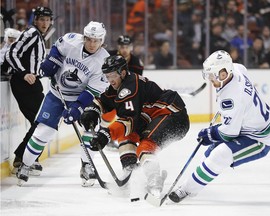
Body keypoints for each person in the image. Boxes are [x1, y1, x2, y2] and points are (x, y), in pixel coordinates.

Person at [169, 50, 270, 203]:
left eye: (213, 75)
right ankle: (200, 178)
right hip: (250, 124)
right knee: (211, 154)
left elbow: (228, 133)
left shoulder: (231, 97)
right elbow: (241, 73)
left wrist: (210, 133)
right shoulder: (237, 69)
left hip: (260, 137)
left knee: (220, 155)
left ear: (224, 73)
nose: (210, 79)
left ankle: (186, 189)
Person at [79, 55, 190, 197]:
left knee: (145, 145)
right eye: (107, 76)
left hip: (173, 115)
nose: (110, 79)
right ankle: (130, 170)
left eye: (113, 75)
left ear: (123, 72)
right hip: (153, 116)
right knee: (126, 135)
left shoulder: (130, 87)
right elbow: (103, 101)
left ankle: (154, 179)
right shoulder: (119, 86)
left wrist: (105, 135)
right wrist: (92, 111)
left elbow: (128, 121)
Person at [15, 21, 110, 186]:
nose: (92, 44)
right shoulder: (71, 40)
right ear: (84, 37)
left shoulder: (104, 61)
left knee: (89, 128)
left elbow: (92, 91)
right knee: (43, 132)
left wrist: (77, 108)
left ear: (102, 41)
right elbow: (57, 50)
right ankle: (25, 165)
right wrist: (52, 63)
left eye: (96, 40)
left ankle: (87, 166)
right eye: (89, 39)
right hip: (56, 94)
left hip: (82, 97)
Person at [5, 6, 54, 175]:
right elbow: (11, 54)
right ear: (35, 19)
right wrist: (24, 73)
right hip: (23, 84)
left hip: (33, 84)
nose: (45, 23)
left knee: (43, 121)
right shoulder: (31, 33)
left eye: (47, 20)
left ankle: (24, 158)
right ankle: (23, 159)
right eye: (42, 19)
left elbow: (36, 63)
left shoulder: (39, 37)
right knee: (43, 121)